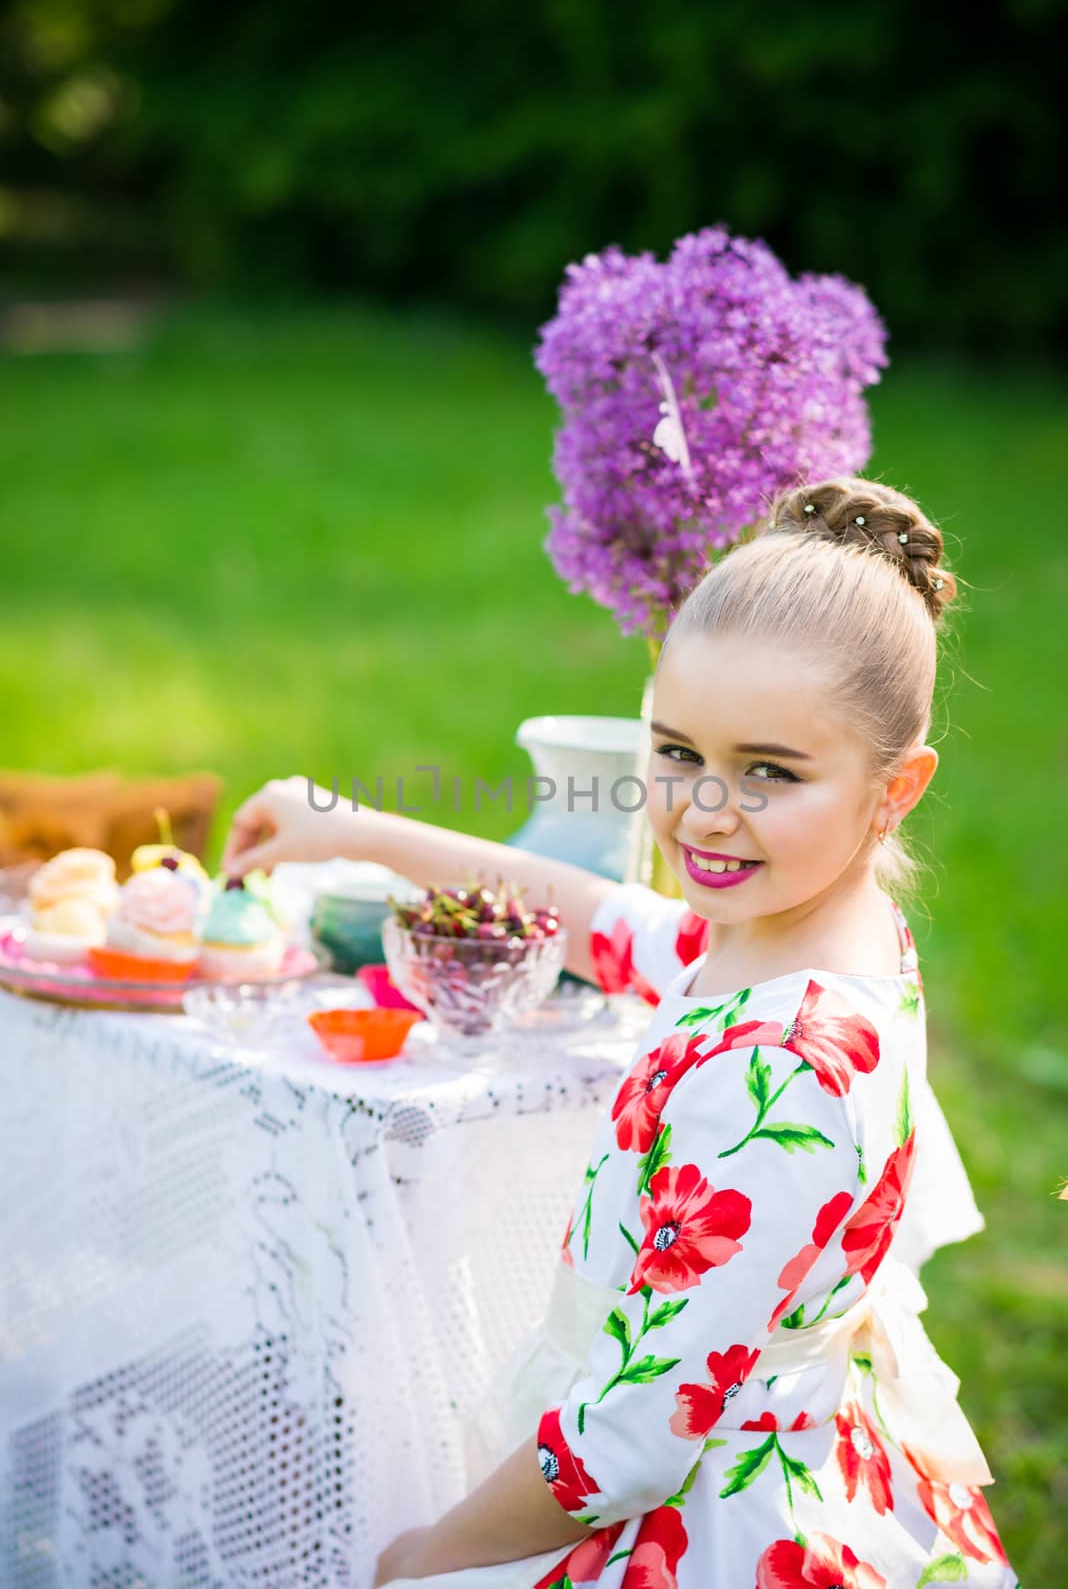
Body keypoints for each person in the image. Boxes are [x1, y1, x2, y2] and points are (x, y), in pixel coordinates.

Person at [222, 478, 1017, 1589]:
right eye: (677, 751)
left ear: (896, 789)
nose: (701, 810)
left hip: (709, 1525)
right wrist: (354, 828)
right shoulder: (816, 928)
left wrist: (423, 1557)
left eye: (769, 772)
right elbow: (613, 926)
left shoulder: (782, 1072)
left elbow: (627, 1447)